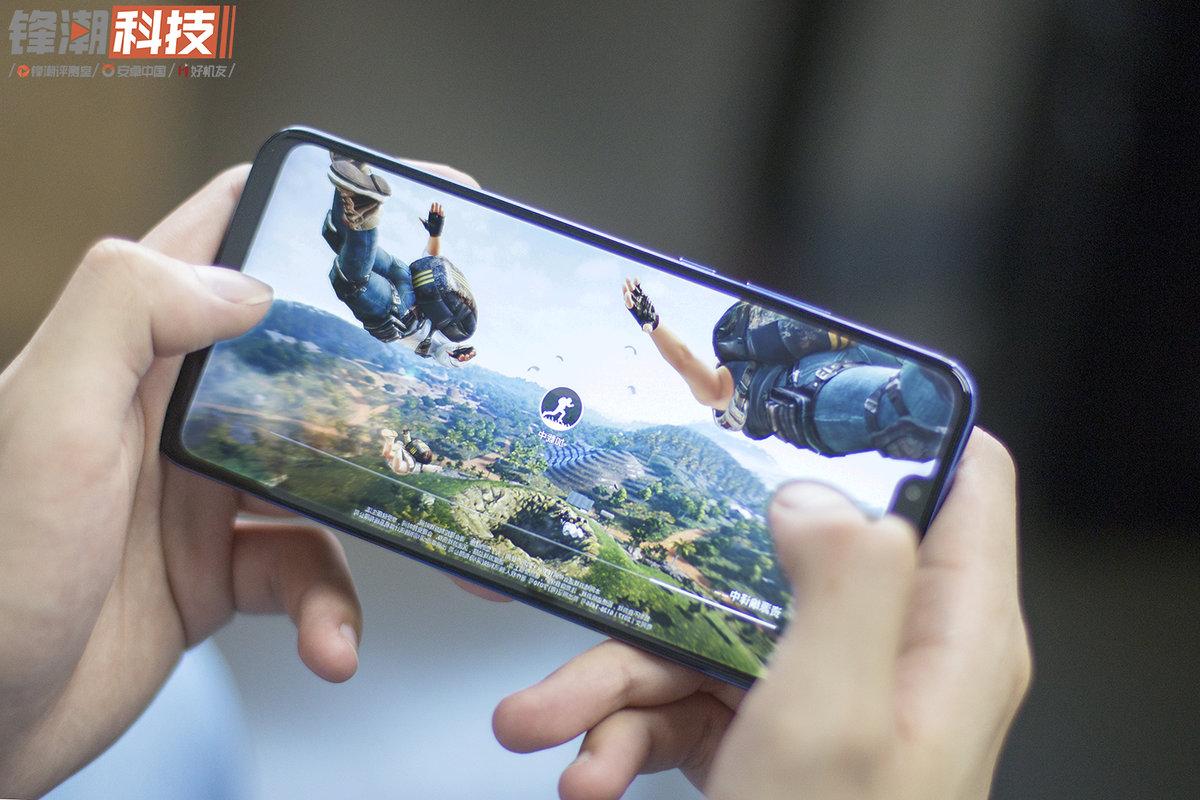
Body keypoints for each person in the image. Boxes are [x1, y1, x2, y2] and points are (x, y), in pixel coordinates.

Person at [0, 166, 1030, 799]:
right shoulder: (731, 388)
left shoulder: (729, 389)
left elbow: (698, 376)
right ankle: (356, 228)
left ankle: (357, 230)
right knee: (187, 718)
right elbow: (701, 374)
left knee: (187, 716)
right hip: (449, 316)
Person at [623, 277, 954, 461]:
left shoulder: (728, 389)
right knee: (931, 384)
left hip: (800, 390)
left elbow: (683, 360)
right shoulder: (741, 373)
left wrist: (651, 325)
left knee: (906, 412)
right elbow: (684, 358)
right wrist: (650, 321)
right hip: (835, 360)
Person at [322, 153, 478, 368]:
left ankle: (354, 167)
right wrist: (458, 357)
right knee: (350, 284)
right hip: (404, 311)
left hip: (405, 273)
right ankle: (365, 210)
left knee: (340, 239)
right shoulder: (445, 341)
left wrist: (435, 234)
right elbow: (446, 356)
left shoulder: (445, 320)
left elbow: (430, 258)